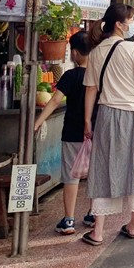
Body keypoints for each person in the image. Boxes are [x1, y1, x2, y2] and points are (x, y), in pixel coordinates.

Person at [81, 4, 134, 243]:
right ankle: (133, 225)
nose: (132, 24)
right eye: (130, 20)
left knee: (103, 167)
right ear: (119, 24)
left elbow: (91, 90)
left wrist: (87, 121)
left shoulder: (95, 52)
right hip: (133, 114)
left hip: (105, 114)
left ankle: (98, 231)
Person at [34, 31, 94, 235]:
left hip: (72, 133)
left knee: (71, 177)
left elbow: (54, 100)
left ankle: (69, 220)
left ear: (75, 53)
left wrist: (38, 121)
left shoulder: (70, 76)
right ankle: (93, 214)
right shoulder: (98, 74)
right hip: (94, 132)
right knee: (94, 174)